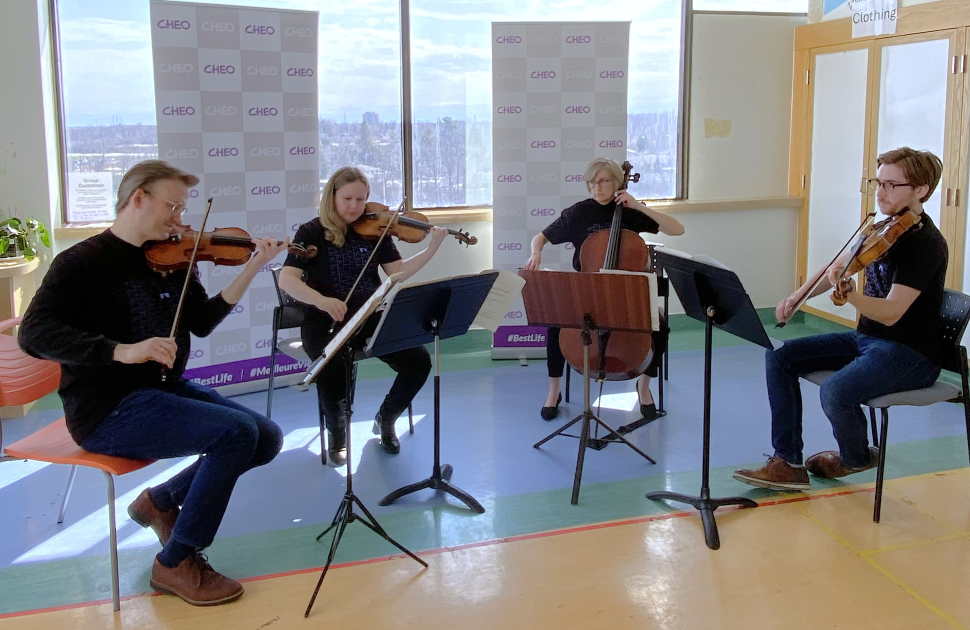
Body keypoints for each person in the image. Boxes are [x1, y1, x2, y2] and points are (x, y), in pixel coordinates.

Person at [18, 160, 287, 607]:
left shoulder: (173, 259)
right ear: (138, 197)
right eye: (173, 207)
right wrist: (120, 350)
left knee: (266, 436)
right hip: (107, 409)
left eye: (184, 209)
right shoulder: (81, 263)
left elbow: (200, 322)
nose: (180, 220)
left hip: (161, 392)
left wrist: (254, 265)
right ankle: (176, 560)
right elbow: (33, 334)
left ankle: (159, 502)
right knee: (234, 433)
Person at [734, 147, 946, 491]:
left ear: (920, 190)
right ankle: (786, 462)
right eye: (878, 182)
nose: (881, 192)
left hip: (910, 353)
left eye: (892, 185)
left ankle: (856, 457)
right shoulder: (883, 229)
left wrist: (853, 298)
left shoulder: (924, 244)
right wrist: (797, 296)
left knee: (836, 391)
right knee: (779, 357)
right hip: (867, 340)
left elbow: (892, 313)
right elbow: (837, 267)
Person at [279, 166, 446, 466]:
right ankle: (338, 434)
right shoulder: (311, 231)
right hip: (324, 319)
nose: (354, 207)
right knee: (331, 368)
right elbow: (287, 279)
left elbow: (398, 273)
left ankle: (386, 418)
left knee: (418, 362)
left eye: (361, 199)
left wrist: (433, 248)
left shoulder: (375, 232)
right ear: (332, 196)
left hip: (369, 316)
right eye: (347, 199)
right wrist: (321, 300)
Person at [523, 157, 685, 421]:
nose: (596, 187)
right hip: (588, 292)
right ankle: (554, 392)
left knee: (660, 327)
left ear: (617, 183)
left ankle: (643, 387)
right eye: (592, 182)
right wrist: (535, 253)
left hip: (624, 293)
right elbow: (540, 238)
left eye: (603, 181)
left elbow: (677, 229)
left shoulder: (630, 210)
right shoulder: (580, 212)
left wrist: (640, 207)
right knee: (555, 326)